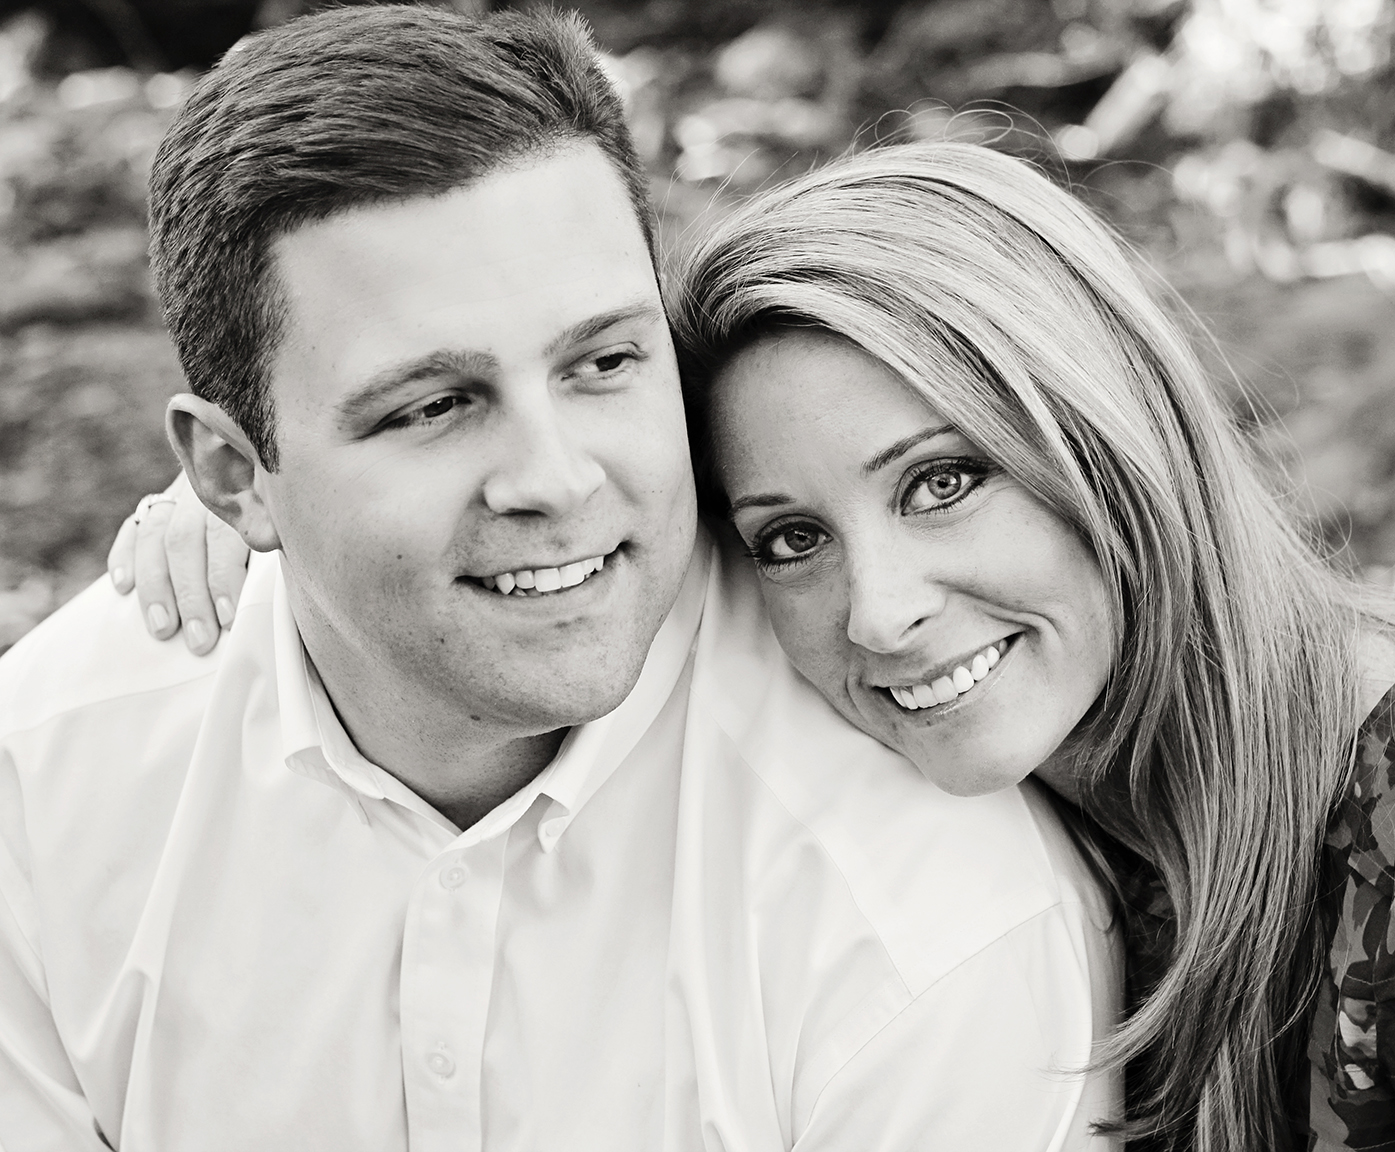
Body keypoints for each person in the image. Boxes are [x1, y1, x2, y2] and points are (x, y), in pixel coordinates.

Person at [133, 138, 1395, 1149]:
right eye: (791, 538)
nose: (879, 610)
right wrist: (273, 524)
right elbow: (565, 552)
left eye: (944, 482)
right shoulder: (1070, 752)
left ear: (1112, 435)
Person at [0, 10, 1121, 1150]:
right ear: (234, 475)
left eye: (603, 361)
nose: (557, 479)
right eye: (434, 406)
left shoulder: (926, 916)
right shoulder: (45, 783)